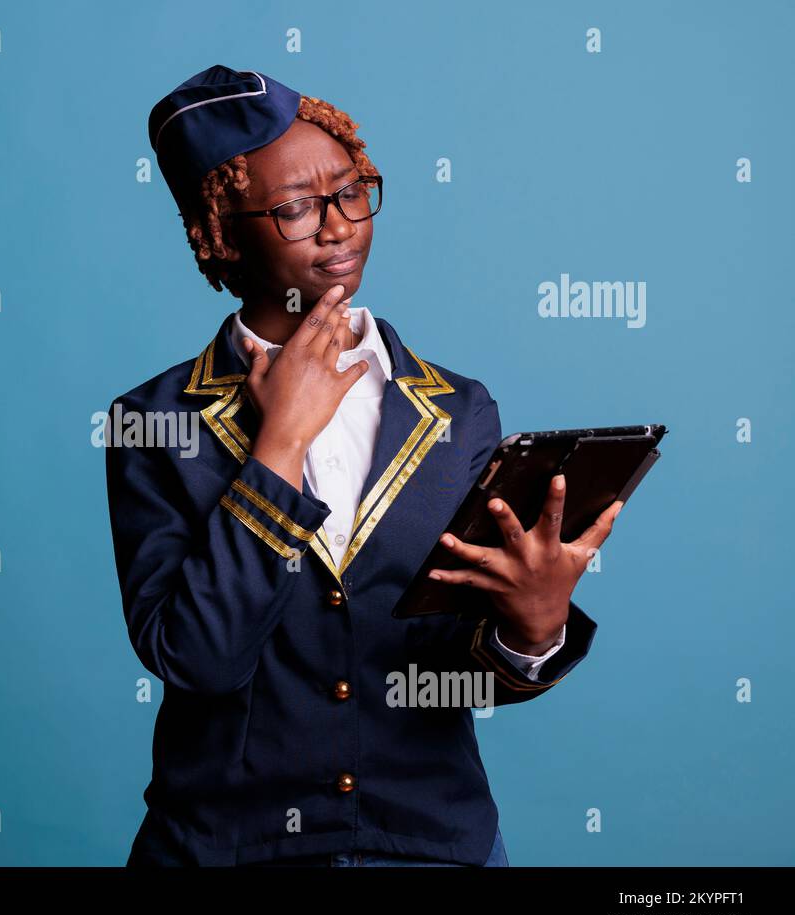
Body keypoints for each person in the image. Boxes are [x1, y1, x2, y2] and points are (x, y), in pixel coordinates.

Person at [104, 65, 622, 866]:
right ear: (220, 231)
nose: (338, 226)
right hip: (225, 849)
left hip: (429, 848)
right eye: (294, 209)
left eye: (351, 192)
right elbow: (196, 658)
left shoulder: (458, 411)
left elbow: (450, 671)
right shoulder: (153, 423)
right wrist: (279, 446)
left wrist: (534, 621)